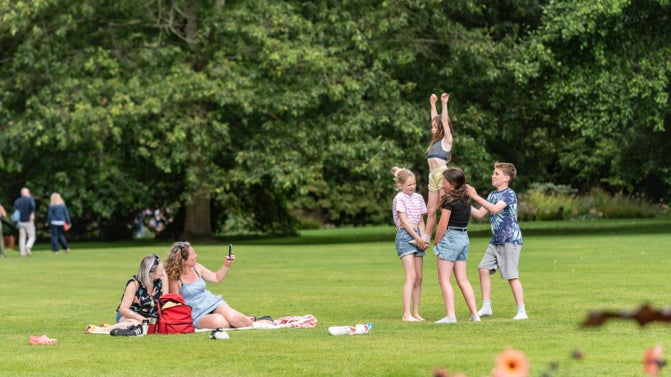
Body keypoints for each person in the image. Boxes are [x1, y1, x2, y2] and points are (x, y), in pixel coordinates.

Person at [467, 162, 527, 320]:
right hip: (495, 241)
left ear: (506, 178)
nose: (493, 176)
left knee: (511, 276)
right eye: (493, 173)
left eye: (497, 174)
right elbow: (480, 214)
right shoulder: (492, 195)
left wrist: (475, 196)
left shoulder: (509, 194)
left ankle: (522, 311)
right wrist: (464, 202)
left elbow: (494, 209)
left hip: (510, 240)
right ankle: (486, 307)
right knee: (483, 269)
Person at [164, 241, 253, 329]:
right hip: (197, 314)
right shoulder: (175, 279)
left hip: (212, 303)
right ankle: (246, 320)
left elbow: (216, 277)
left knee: (234, 318)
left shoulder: (197, 268)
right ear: (183, 260)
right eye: (193, 254)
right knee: (220, 322)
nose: (196, 256)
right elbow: (176, 305)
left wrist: (227, 265)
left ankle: (255, 323)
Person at [433, 167, 479, 324]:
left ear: (452, 183)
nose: (443, 183)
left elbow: (442, 224)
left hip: (451, 238)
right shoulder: (466, 198)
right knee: (463, 279)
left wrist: (437, 241)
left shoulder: (449, 200)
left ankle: (451, 316)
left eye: (445, 181)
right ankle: (475, 314)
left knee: (444, 279)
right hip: (463, 238)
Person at [86, 254, 169, 335]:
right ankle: (101, 330)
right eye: (160, 270)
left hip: (150, 317)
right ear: (150, 273)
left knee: (152, 326)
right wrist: (141, 318)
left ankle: (114, 327)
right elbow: (123, 309)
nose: (163, 272)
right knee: (135, 324)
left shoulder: (162, 278)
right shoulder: (134, 284)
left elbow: (164, 302)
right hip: (130, 315)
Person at [391, 167, 429, 322]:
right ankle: (406, 314)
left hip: (418, 236)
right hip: (405, 236)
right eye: (408, 185)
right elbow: (404, 222)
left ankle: (416, 312)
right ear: (401, 186)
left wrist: (423, 238)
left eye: (413, 184)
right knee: (411, 276)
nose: (412, 187)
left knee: (419, 277)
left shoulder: (419, 197)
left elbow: (421, 221)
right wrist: (417, 238)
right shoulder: (399, 198)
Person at [424, 92, 454, 245]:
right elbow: (435, 118)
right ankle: (425, 239)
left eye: (436, 127)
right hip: (432, 175)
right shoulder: (434, 141)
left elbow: (443, 120)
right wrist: (432, 104)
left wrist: (444, 103)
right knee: (431, 209)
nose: (433, 128)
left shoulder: (447, 140)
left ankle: (447, 236)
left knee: (444, 207)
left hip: (442, 175)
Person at [14, 187, 36, 257]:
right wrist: (32, 214)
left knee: (22, 237)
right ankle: (28, 246)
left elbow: (15, 212)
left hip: (20, 221)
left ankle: (22, 253)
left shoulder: (17, 201)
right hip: (28, 221)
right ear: (28, 193)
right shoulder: (30, 199)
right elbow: (33, 207)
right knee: (32, 236)